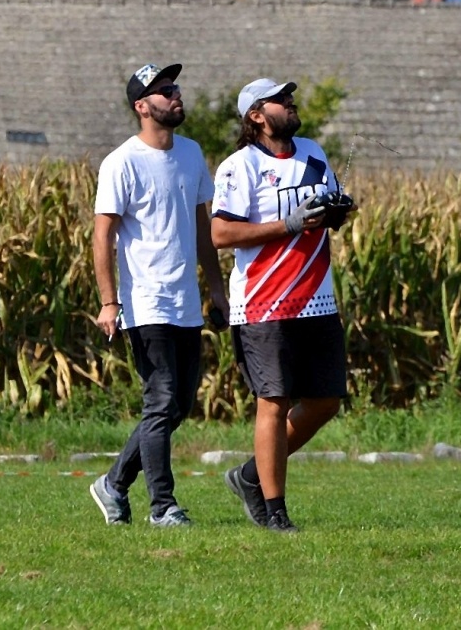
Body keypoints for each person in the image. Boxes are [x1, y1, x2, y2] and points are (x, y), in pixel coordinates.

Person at [210, 77, 355, 533]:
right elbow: (221, 234)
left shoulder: (313, 151)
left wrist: (336, 211)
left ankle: (251, 475)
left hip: (318, 300)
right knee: (273, 401)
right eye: (280, 100)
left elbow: (323, 215)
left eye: (289, 98)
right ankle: (275, 511)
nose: (290, 104)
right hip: (263, 305)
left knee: (326, 401)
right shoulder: (239, 166)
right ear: (256, 115)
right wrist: (287, 224)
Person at [89, 62, 226, 528]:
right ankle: (163, 506)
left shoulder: (191, 154)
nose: (175, 95)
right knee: (161, 400)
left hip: (186, 302)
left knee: (178, 405)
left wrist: (216, 288)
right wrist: (110, 302)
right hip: (146, 303)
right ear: (142, 106)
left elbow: (203, 230)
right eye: (165, 90)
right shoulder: (121, 162)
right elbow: (102, 235)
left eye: (176, 87)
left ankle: (112, 484)